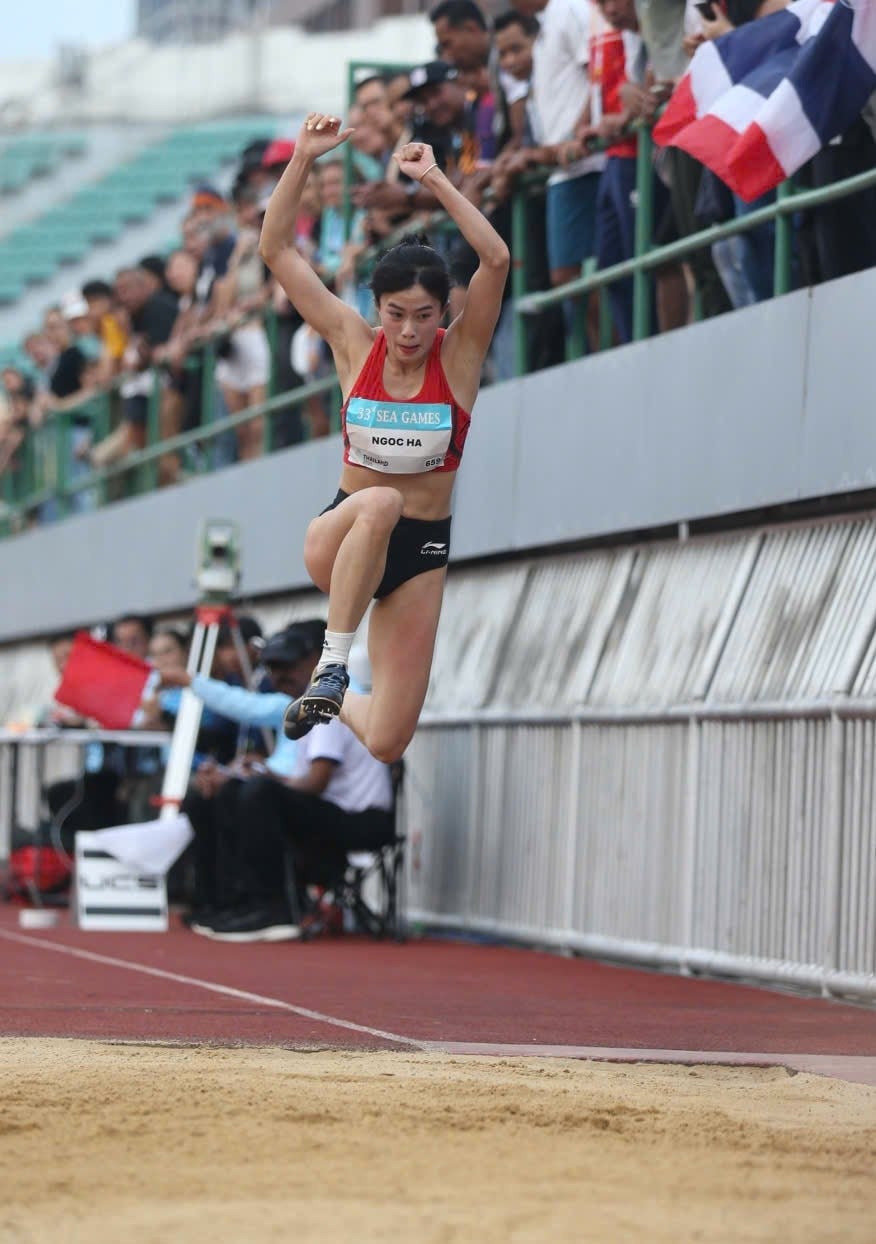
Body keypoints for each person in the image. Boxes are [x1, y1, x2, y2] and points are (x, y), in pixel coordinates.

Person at [259, 112, 509, 764]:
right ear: (377, 310)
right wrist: (304, 159)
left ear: (443, 314)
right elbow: (277, 252)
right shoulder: (352, 343)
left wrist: (435, 181)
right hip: (341, 531)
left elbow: (496, 257)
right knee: (380, 502)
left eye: (423, 317)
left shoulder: (459, 359)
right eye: (396, 315)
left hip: (420, 553)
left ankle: (331, 698)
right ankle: (333, 664)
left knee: (390, 742)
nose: (407, 333)